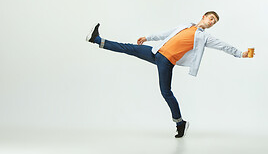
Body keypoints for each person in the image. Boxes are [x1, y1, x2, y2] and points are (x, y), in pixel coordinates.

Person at [86, 11, 254, 138]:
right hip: (156, 52)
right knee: (129, 48)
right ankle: (97, 39)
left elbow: (223, 46)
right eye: (211, 19)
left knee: (166, 92)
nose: (212, 23)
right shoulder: (186, 26)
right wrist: (147, 37)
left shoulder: (205, 37)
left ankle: (180, 123)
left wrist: (240, 53)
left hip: (167, 61)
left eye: (214, 22)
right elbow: (166, 33)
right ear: (204, 16)